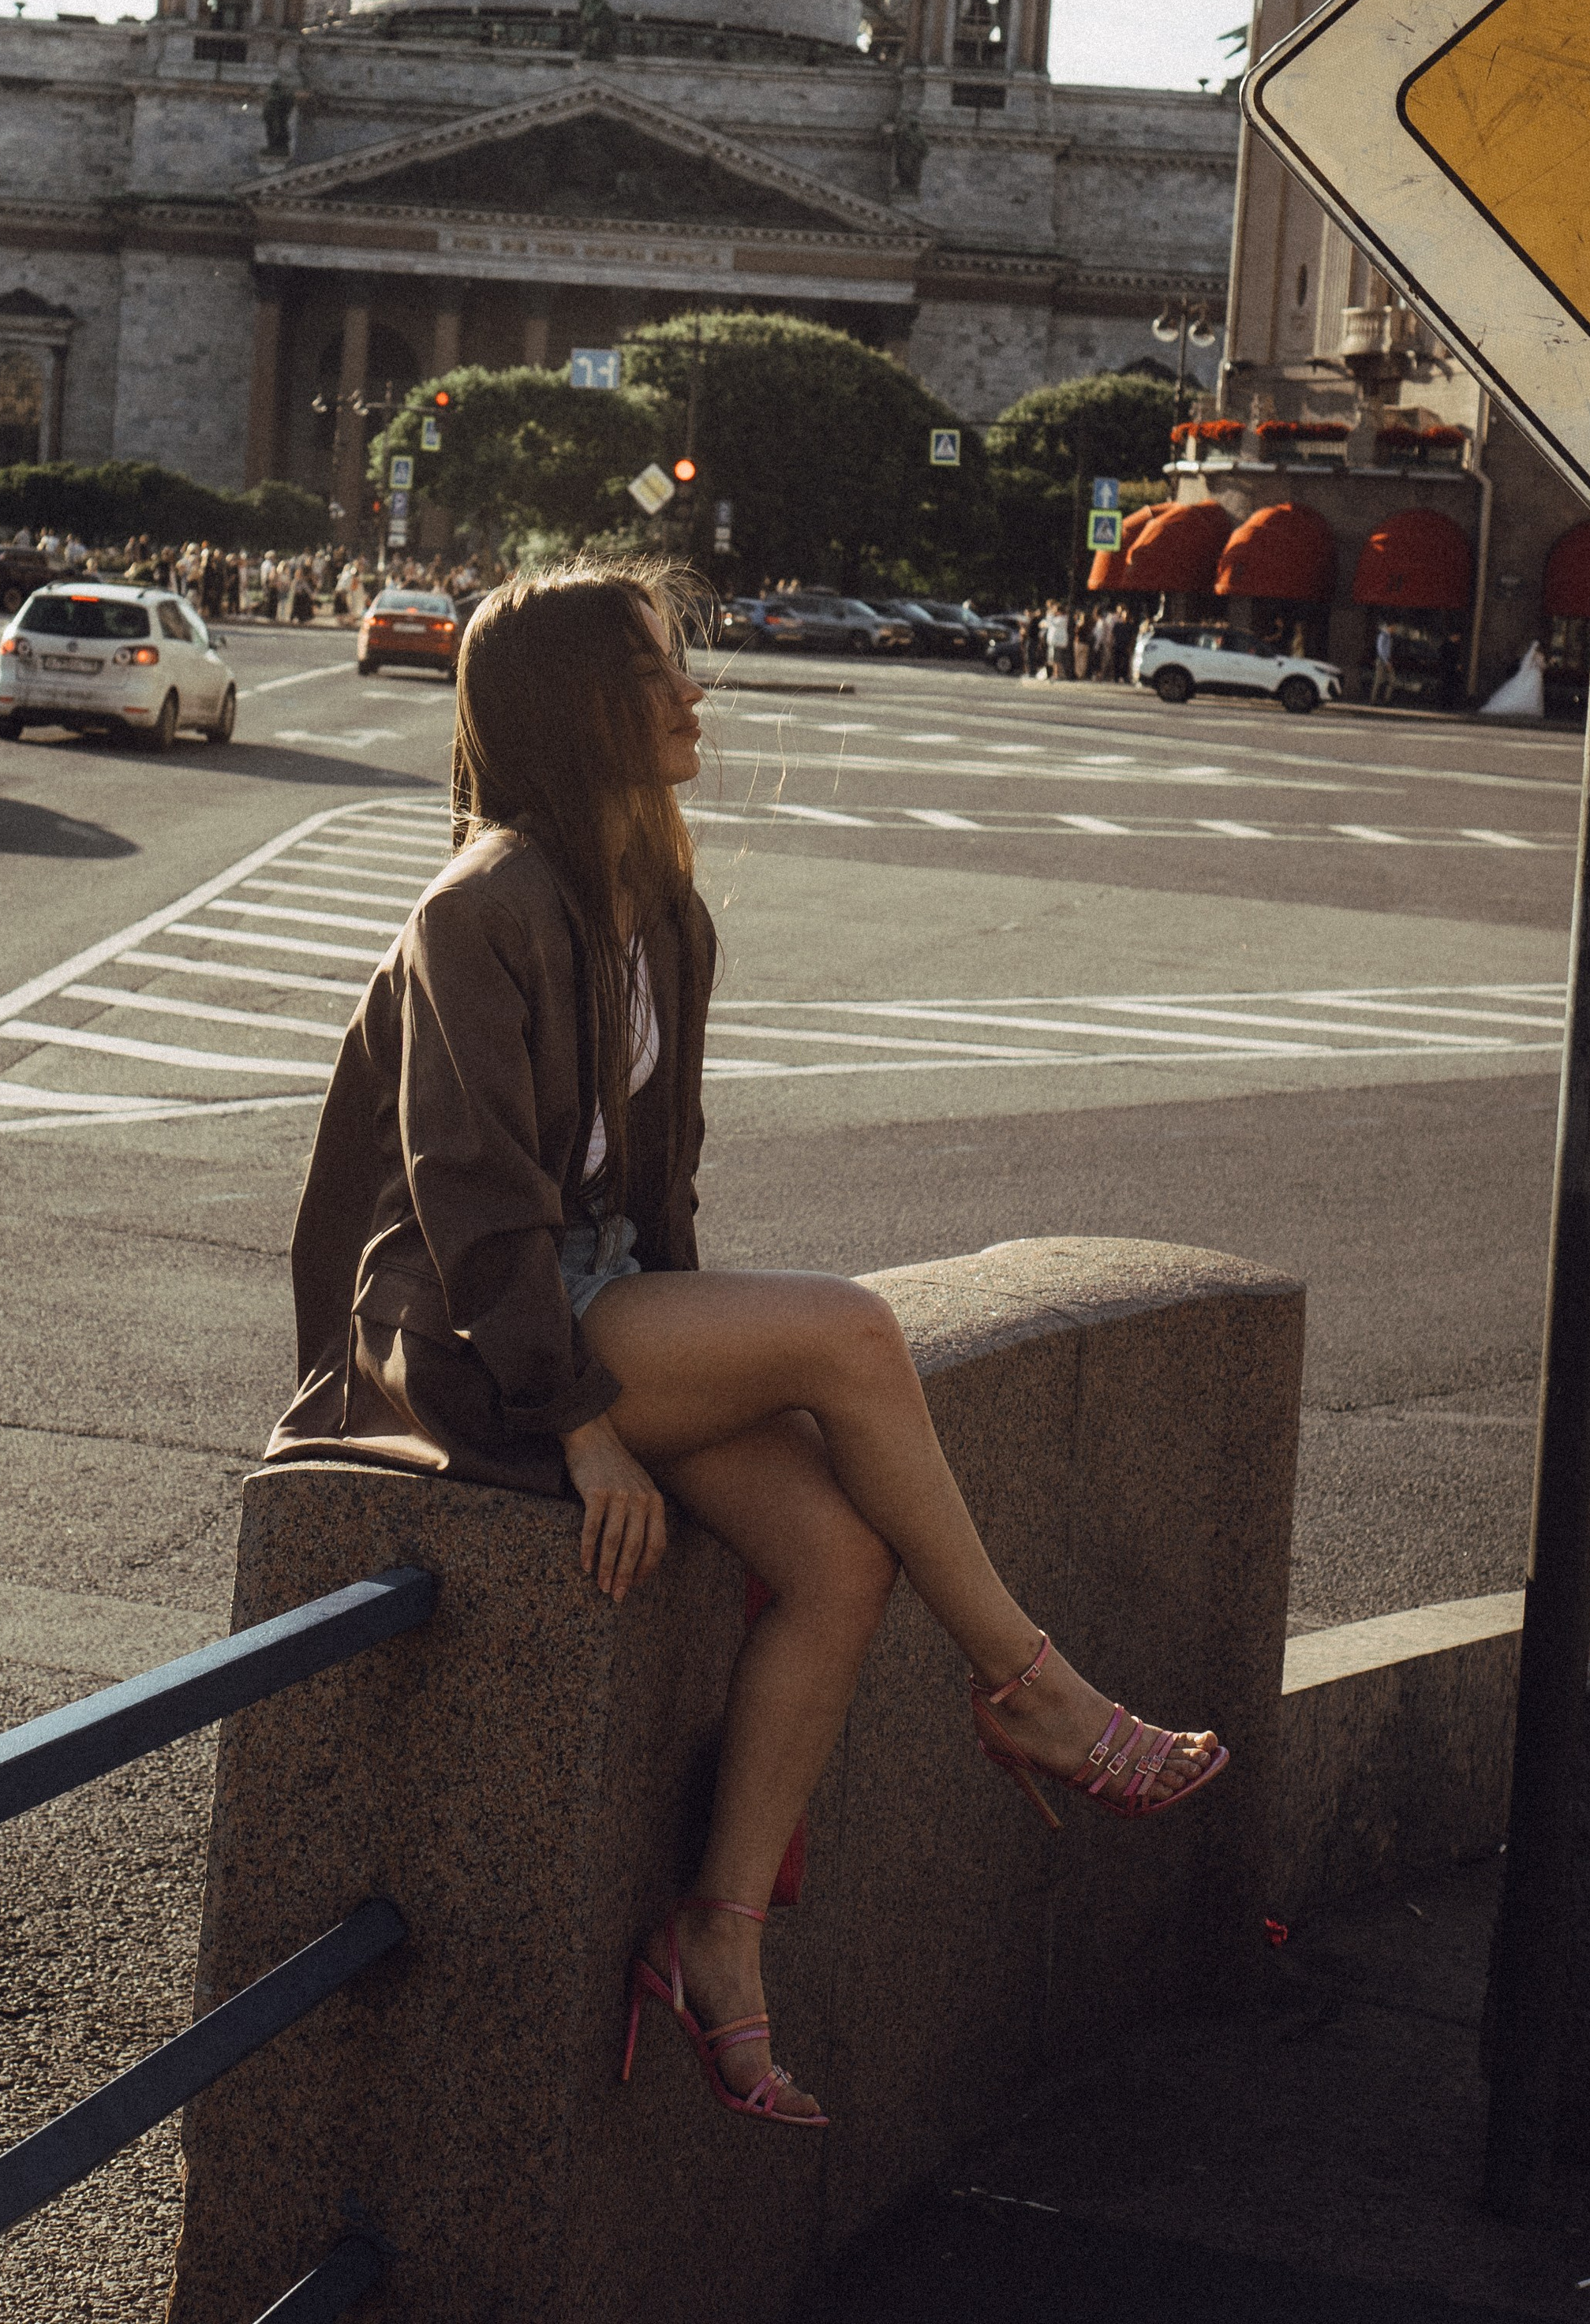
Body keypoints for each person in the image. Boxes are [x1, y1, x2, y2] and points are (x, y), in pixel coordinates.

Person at [267, 559, 1228, 2134]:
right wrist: (587, 1428)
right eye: (658, 667)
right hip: (465, 1337)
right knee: (853, 1331)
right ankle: (1031, 1689)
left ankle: (714, 1936)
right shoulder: (477, 907)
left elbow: (660, 1198)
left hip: (592, 1304)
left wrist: (691, 1384)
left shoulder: (663, 917)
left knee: (838, 1562)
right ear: (580, 706)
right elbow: (470, 1206)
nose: (692, 692)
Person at [1371, 620, 1398, 704]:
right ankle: (1373, 700)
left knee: (1392, 680)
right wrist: (1387, 662)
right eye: (1394, 628)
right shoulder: (1383, 636)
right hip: (1382, 661)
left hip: (1388, 661)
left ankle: (1386, 700)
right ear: (1389, 627)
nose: (1395, 630)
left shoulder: (1389, 637)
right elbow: (1380, 650)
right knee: (1379, 680)